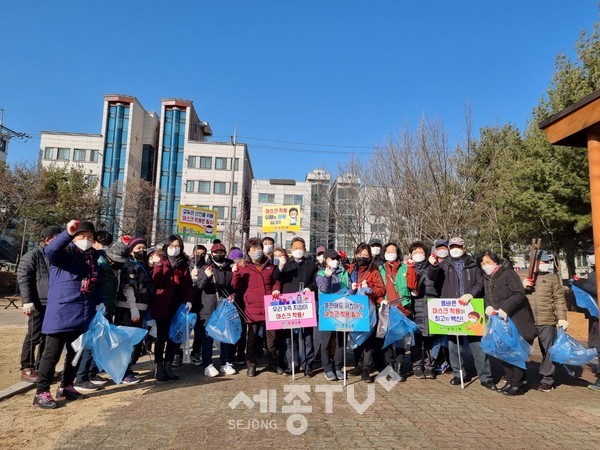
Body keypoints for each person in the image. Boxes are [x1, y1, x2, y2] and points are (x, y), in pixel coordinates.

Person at [33, 220, 103, 409]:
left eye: (90, 237)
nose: (86, 240)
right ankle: (41, 391)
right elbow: (51, 250)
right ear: (74, 237)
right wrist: (67, 232)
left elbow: (96, 284)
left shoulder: (93, 258)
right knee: (51, 354)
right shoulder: (64, 254)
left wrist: (99, 303)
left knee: (75, 354)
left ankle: (66, 386)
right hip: (62, 312)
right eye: (82, 236)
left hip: (83, 313)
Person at [429, 237, 496, 390]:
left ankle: (485, 376)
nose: (455, 249)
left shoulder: (473, 264)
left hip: (471, 308)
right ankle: (458, 374)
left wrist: (471, 294)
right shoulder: (444, 264)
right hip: (452, 310)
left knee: (477, 345)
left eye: (458, 246)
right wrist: (433, 266)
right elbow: (433, 278)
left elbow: (480, 283)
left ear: (464, 247)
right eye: (452, 246)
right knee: (454, 346)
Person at [74, 232, 126, 392]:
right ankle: (81, 378)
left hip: (106, 308)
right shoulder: (100, 263)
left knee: (100, 344)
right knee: (91, 343)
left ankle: (91, 373)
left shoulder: (109, 266)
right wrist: (97, 303)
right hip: (96, 309)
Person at [480, 250, 536, 396]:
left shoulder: (508, 274)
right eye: (483, 262)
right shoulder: (487, 278)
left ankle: (517, 384)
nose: (486, 265)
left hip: (516, 319)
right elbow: (487, 297)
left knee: (515, 350)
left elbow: (519, 293)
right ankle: (510, 381)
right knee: (504, 351)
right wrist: (488, 306)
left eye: (489, 262)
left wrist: (505, 308)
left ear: (496, 262)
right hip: (499, 321)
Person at [231, 237, 281, 377]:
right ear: (248, 252)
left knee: (272, 339)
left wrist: (277, 289)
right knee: (252, 339)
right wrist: (235, 273)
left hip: (270, 306)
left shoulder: (270, 266)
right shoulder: (244, 267)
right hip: (252, 307)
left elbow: (276, 280)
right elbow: (236, 286)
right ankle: (251, 365)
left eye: (258, 248)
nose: (257, 251)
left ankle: (272, 363)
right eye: (253, 249)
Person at [17, 225, 61, 383]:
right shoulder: (33, 255)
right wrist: (27, 301)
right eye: (57, 237)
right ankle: (27, 367)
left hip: (52, 302)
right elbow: (23, 278)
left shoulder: (55, 256)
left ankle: (42, 367)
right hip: (37, 302)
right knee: (34, 335)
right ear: (48, 239)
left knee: (47, 337)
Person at [522, 251, 568, 392]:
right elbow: (513, 295)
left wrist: (562, 318)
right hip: (526, 320)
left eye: (547, 262)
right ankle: (519, 375)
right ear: (533, 262)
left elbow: (559, 299)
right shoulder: (522, 275)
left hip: (547, 320)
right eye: (543, 262)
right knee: (521, 348)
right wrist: (521, 286)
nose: (546, 265)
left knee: (548, 351)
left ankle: (547, 379)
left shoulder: (552, 278)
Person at [150, 235, 194, 382]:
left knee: (173, 337)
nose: (175, 249)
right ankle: (159, 368)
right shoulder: (161, 260)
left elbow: (187, 284)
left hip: (178, 305)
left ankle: (169, 367)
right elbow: (157, 281)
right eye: (172, 246)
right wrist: (158, 266)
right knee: (161, 337)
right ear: (166, 246)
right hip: (163, 304)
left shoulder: (183, 264)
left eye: (178, 246)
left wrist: (188, 300)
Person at [274, 237, 318, 376]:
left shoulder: (311, 264)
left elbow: (315, 281)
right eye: (295, 248)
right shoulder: (286, 264)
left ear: (305, 250)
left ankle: (308, 365)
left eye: (301, 248)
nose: (298, 250)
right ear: (291, 250)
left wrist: (310, 288)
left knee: (307, 336)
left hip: (305, 302)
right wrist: (280, 266)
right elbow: (275, 277)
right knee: (290, 336)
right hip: (289, 304)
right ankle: (292, 364)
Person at [194, 243, 237, 377]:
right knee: (208, 337)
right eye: (216, 252)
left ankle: (225, 362)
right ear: (211, 254)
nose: (219, 255)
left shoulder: (229, 268)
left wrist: (236, 274)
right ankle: (208, 364)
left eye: (222, 252)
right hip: (208, 306)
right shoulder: (204, 267)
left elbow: (233, 287)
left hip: (224, 305)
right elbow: (199, 287)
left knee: (225, 335)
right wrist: (206, 276)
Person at [114, 237, 153, 383]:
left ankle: (127, 369)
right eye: (138, 249)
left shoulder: (142, 266)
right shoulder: (130, 266)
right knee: (126, 343)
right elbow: (128, 287)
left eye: (144, 248)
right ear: (131, 251)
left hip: (140, 310)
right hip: (128, 311)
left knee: (135, 343)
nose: (142, 251)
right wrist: (133, 307)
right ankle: (122, 372)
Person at [378, 242, 417, 381]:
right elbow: (378, 288)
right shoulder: (381, 269)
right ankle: (390, 368)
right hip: (386, 309)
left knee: (401, 340)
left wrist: (411, 268)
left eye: (393, 251)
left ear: (398, 253)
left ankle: (400, 369)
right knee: (387, 341)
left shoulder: (404, 268)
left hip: (402, 308)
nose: (390, 253)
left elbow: (412, 285)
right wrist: (380, 300)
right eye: (387, 251)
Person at [348, 243, 386, 383]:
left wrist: (370, 289)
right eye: (360, 254)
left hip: (368, 308)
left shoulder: (373, 271)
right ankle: (358, 365)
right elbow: (344, 285)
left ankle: (366, 369)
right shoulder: (351, 269)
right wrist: (350, 288)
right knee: (355, 337)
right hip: (352, 308)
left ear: (369, 256)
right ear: (355, 255)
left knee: (368, 339)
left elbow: (381, 289)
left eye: (365, 255)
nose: (362, 257)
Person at [316, 249, 350, 381]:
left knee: (341, 341)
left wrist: (352, 288)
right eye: (331, 258)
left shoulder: (344, 273)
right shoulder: (320, 273)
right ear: (326, 260)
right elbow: (324, 289)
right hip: (327, 311)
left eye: (336, 258)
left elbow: (347, 288)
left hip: (343, 310)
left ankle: (338, 367)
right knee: (326, 341)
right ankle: (328, 369)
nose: (335, 261)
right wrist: (327, 277)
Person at [409, 241, 439, 380]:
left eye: (420, 252)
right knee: (416, 338)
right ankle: (416, 366)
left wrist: (433, 265)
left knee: (431, 339)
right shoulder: (408, 268)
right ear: (410, 255)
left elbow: (437, 281)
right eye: (415, 252)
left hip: (432, 305)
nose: (418, 255)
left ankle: (429, 366)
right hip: (416, 306)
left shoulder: (433, 267)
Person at [575, 245, 600, 391]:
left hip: (597, 316)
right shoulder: (593, 273)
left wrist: (579, 283)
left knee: (597, 345)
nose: (590, 257)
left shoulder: (596, 274)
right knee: (595, 345)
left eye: (592, 254)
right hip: (594, 317)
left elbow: (593, 288)